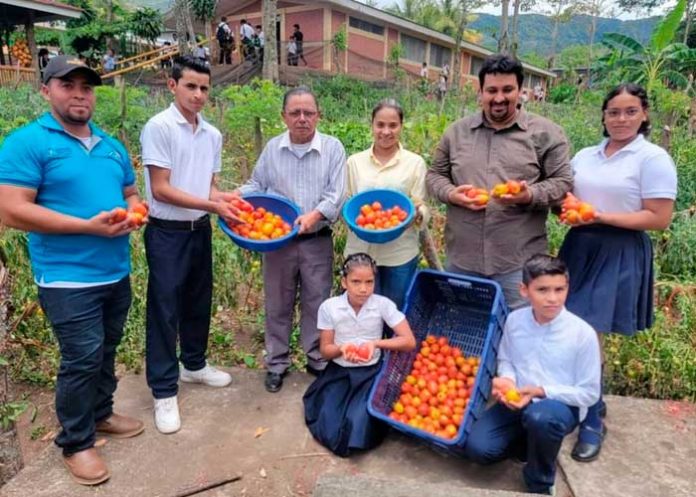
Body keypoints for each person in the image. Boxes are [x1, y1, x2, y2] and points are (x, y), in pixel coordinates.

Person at [0, 55, 145, 486]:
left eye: (86, 86)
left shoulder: (111, 145)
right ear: (46, 90)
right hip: (66, 277)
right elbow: (11, 210)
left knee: (105, 350)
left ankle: (100, 414)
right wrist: (87, 227)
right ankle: (76, 441)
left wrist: (136, 214)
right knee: (81, 358)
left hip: (115, 271)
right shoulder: (27, 143)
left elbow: (132, 193)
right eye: (68, 85)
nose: (79, 93)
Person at [558, 83, 678, 463]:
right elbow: (566, 195)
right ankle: (586, 399)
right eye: (613, 112)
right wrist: (569, 207)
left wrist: (599, 215)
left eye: (630, 111)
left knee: (588, 330)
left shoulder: (652, 158)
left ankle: (592, 420)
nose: (621, 119)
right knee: (570, 327)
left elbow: (659, 217)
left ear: (644, 114)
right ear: (604, 115)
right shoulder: (586, 154)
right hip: (580, 244)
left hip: (619, 247)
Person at [140, 56, 242, 434]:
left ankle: (194, 365)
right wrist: (213, 204)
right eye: (191, 86)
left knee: (199, 300)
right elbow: (162, 189)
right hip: (166, 232)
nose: (199, 95)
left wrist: (227, 198)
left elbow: (209, 187)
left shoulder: (212, 134)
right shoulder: (160, 128)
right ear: (172, 85)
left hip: (199, 229)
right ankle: (164, 391)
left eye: (204, 88)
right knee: (165, 309)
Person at [426, 54, 572, 310]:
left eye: (508, 90)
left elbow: (563, 182)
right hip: (463, 260)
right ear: (480, 91)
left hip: (518, 263)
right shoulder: (456, 133)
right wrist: (451, 193)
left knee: (519, 333)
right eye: (491, 90)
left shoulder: (546, 133)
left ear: (521, 91)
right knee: (467, 327)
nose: (499, 98)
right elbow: (434, 176)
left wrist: (529, 195)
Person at [238, 87, 346, 393]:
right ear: (284, 116)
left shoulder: (333, 148)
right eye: (295, 113)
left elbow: (336, 196)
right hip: (278, 242)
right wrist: (232, 198)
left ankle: (316, 358)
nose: (302, 119)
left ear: (318, 116)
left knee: (316, 301)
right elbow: (257, 184)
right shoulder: (273, 148)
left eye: (308, 113)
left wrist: (314, 216)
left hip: (316, 238)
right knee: (278, 302)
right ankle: (277, 362)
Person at [464, 254, 601, 495]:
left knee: (542, 418)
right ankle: (533, 445)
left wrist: (540, 391)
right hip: (518, 400)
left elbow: (589, 394)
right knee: (478, 449)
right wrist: (507, 381)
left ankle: (540, 481)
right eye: (543, 290)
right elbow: (506, 360)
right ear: (524, 290)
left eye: (560, 289)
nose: (552, 298)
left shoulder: (582, 334)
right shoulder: (515, 321)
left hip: (558, 407)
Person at [303, 253, 416, 457]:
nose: (363, 289)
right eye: (356, 282)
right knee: (329, 424)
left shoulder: (382, 305)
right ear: (344, 282)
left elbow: (409, 341)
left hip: (371, 373)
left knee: (359, 425)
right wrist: (342, 349)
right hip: (339, 372)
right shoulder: (330, 307)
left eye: (369, 282)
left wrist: (375, 344)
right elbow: (325, 350)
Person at [344, 99, 428, 311]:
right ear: (372, 125)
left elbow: (421, 205)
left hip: (399, 254)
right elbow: (348, 203)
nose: (386, 131)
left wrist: (416, 214)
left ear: (401, 126)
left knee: (394, 311)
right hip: (360, 251)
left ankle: (390, 345)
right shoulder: (355, 162)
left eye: (393, 125)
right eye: (380, 125)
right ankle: (363, 346)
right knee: (361, 311)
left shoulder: (415, 163)